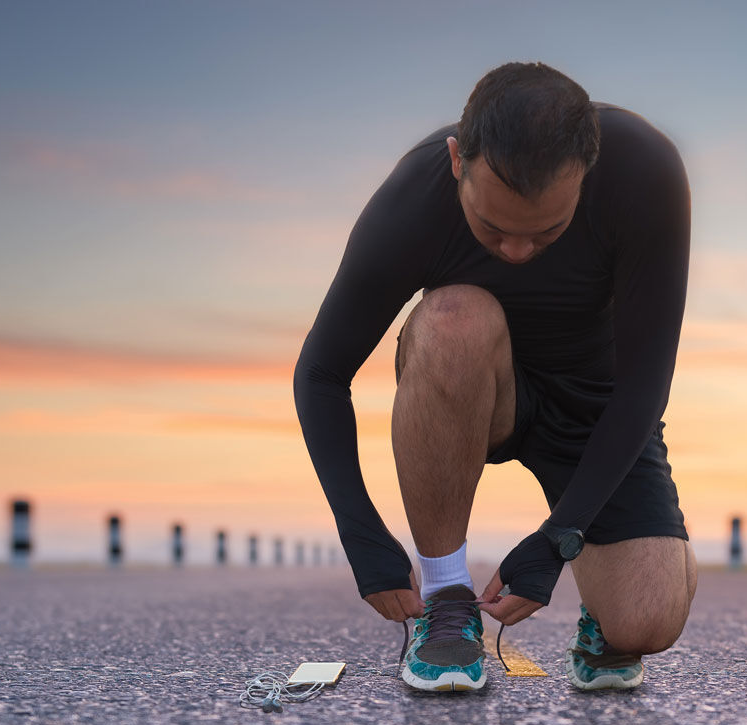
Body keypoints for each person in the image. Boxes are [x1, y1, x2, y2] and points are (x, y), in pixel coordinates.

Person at [293, 62, 697, 692]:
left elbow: (646, 384)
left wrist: (561, 536)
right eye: (493, 228)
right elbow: (320, 371)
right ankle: (448, 599)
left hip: (595, 405)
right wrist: (360, 531)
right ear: (458, 161)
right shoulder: (415, 195)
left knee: (644, 623)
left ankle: (606, 594)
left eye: (545, 232)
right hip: (472, 382)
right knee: (454, 316)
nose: (513, 250)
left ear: (586, 172)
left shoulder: (646, 171)